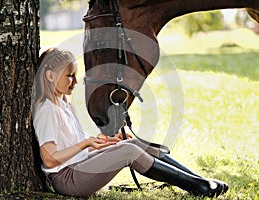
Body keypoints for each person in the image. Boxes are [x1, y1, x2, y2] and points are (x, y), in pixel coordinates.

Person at [31, 47, 228, 198]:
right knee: (129, 152)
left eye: (75, 75)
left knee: (131, 143)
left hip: (79, 166)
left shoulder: (63, 102)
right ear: (50, 76)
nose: (75, 81)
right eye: (70, 76)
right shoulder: (46, 109)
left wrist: (103, 141)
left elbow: (72, 147)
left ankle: (199, 180)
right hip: (67, 179)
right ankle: (196, 186)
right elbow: (50, 159)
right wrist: (86, 143)